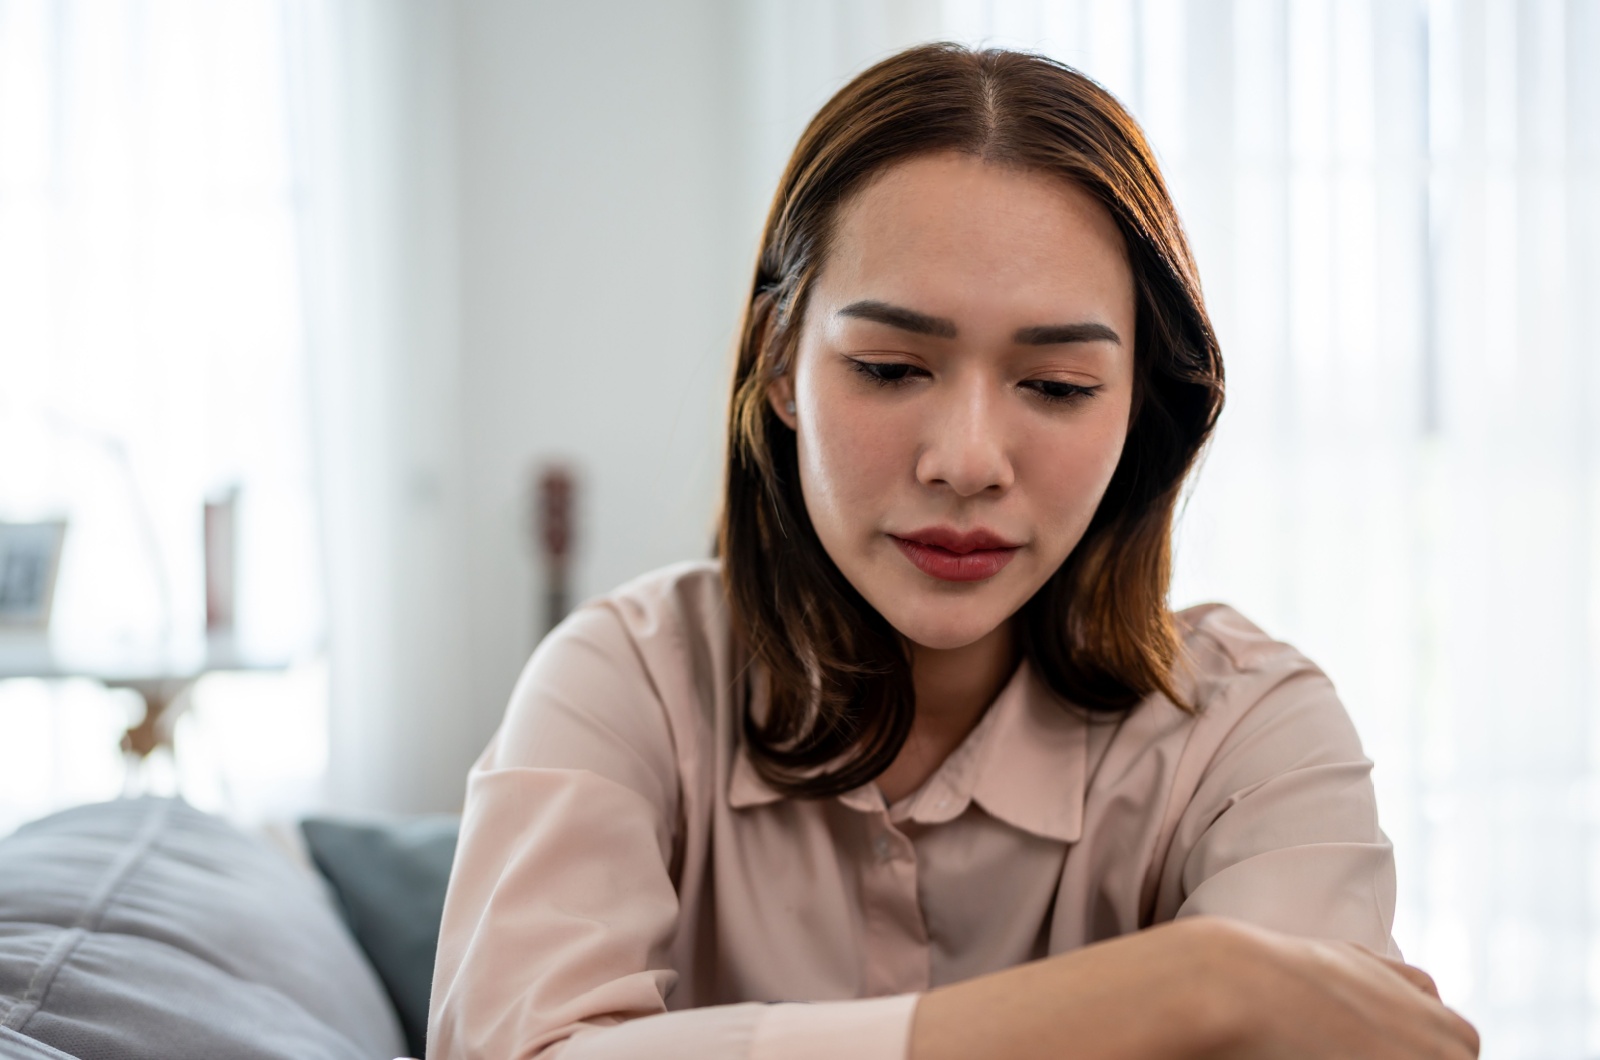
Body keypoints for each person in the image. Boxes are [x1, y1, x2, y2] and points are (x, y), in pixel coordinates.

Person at [427, 43, 1478, 1060]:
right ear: (781, 367)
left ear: (1138, 412)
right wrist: (1186, 990)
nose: (968, 461)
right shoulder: (626, 678)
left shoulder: (1251, 731)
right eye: (889, 368)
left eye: (1058, 386)